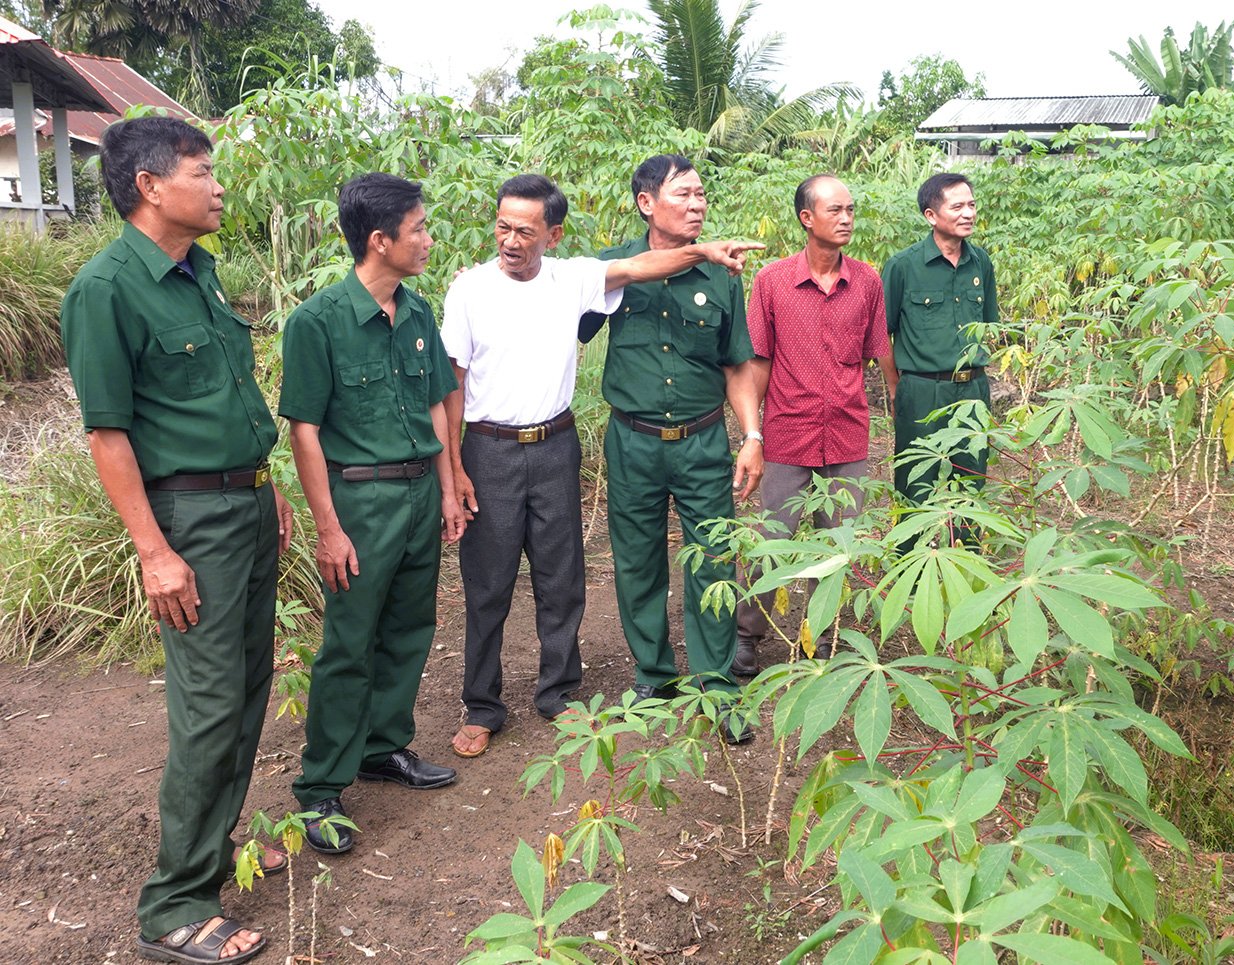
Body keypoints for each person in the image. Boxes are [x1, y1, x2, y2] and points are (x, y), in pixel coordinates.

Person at [61, 116, 293, 965]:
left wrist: (266, 485)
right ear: (151, 186)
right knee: (208, 705)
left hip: (245, 504)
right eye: (203, 171)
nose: (219, 185)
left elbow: (224, 395)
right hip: (190, 523)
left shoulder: (200, 271)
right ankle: (175, 906)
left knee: (247, 686)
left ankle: (215, 846)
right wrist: (155, 551)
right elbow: (108, 433)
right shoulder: (107, 289)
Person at [443, 174, 760, 758]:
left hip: (592, 442)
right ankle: (492, 704)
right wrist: (454, 467)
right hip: (516, 446)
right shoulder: (478, 289)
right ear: (646, 202)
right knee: (501, 580)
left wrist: (706, 253)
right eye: (504, 228)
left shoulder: (581, 277)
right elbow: (454, 383)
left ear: (553, 235)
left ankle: (592, 691)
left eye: (526, 231)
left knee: (573, 576)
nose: (511, 241)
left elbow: (648, 275)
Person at [280, 173, 465, 855]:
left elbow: (436, 405)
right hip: (360, 501)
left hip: (419, 493)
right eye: (419, 229)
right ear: (380, 240)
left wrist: (448, 490)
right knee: (349, 643)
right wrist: (329, 529)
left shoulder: (416, 313)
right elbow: (304, 432)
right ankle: (320, 786)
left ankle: (383, 748)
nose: (428, 239)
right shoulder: (317, 321)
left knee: (410, 626)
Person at [579, 154, 764, 740]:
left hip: (702, 441)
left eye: (701, 194)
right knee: (636, 560)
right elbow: (560, 318)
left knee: (714, 559)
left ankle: (716, 685)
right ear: (646, 203)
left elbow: (736, 365)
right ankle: (653, 675)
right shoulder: (612, 267)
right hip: (631, 442)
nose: (697, 204)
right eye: (683, 194)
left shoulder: (722, 275)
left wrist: (752, 436)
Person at [734, 175, 895, 674]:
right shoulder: (772, 281)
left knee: (839, 543)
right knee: (772, 537)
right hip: (787, 431)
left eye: (850, 210)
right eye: (834, 210)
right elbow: (758, 361)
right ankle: (747, 635)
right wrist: (753, 435)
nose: (846, 219)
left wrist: (891, 398)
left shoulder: (867, 281)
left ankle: (823, 636)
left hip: (846, 434)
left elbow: (875, 353)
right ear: (807, 218)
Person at [881, 172, 998, 521]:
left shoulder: (981, 263)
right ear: (931, 215)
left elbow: (988, 324)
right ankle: (911, 553)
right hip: (922, 391)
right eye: (957, 207)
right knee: (916, 484)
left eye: (972, 205)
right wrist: (895, 386)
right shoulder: (903, 266)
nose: (968, 214)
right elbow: (880, 334)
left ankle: (966, 549)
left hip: (973, 390)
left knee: (971, 485)